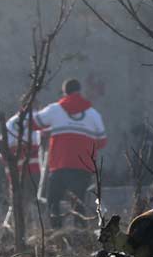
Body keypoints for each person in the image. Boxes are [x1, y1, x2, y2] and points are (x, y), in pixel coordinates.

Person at [34, 79, 107, 229]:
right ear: (80, 92)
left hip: (60, 165)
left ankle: (56, 233)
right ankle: (81, 235)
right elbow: (102, 141)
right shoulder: (93, 114)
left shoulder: (55, 109)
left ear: (64, 93)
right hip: (84, 166)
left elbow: (34, 123)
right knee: (78, 202)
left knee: (53, 201)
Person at [0, 106, 41, 229]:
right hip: (33, 168)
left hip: (14, 170)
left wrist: (9, 168)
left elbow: (1, 150)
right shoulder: (37, 120)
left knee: (17, 201)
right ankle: (35, 230)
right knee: (34, 201)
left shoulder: (9, 123)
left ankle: (8, 229)